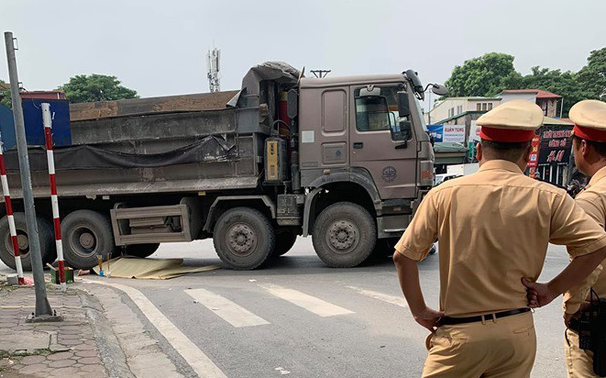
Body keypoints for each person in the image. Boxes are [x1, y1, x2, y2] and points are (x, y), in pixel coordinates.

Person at [393, 99, 606, 378]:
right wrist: (551, 290)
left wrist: (420, 310)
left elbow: (403, 256)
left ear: (479, 150)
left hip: (460, 335)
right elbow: (598, 245)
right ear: (529, 152)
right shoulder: (549, 196)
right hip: (516, 332)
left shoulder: (444, 194)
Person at [559, 100, 606, 378]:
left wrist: (572, 306)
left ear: (584, 147)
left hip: (597, 320)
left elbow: (590, 259)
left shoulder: (592, 199)